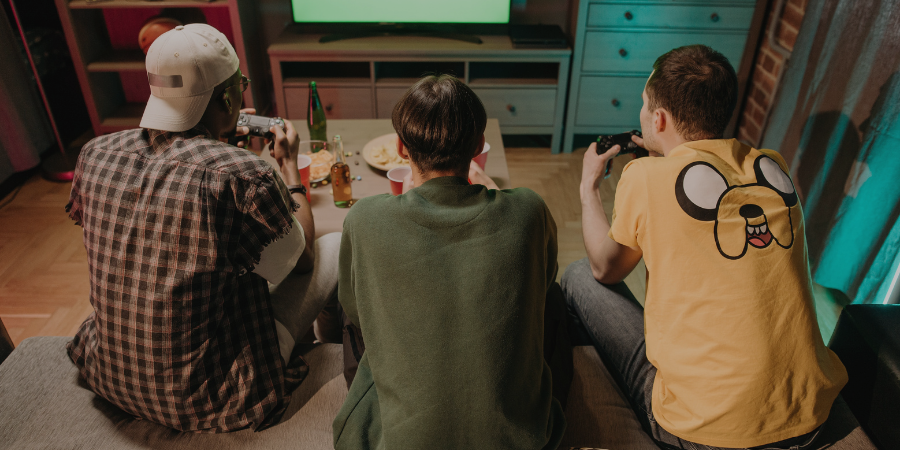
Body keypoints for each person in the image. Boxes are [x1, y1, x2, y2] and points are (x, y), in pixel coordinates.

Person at [562, 45, 848, 449]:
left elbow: (604, 269)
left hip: (704, 431)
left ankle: (597, 415)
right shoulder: (772, 168)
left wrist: (588, 187)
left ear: (657, 119)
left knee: (576, 276)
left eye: (645, 106)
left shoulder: (645, 176)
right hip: (810, 416)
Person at [65, 24, 340, 432]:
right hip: (211, 394)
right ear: (229, 96)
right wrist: (287, 168)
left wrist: (222, 149)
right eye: (240, 86)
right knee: (333, 244)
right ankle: (328, 349)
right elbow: (302, 263)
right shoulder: (243, 176)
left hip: (111, 375)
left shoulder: (94, 153)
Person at [331, 75, 567, 450]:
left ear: (401, 148)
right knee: (551, 295)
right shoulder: (529, 211)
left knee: (353, 304)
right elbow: (544, 276)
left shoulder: (364, 219)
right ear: (477, 146)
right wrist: (492, 190)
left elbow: (357, 313)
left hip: (396, 442)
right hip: (523, 440)